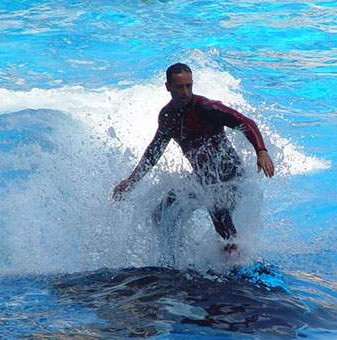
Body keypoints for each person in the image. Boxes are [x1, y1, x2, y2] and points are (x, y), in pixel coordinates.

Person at [113, 63, 274, 252]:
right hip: (203, 179)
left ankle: (235, 265)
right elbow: (154, 151)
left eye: (188, 86)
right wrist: (132, 181)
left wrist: (261, 151)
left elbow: (245, 122)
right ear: (168, 87)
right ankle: (182, 257)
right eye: (179, 87)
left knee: (219, 213)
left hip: (230, 177)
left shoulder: (207, 108)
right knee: (161, 213)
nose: (185, 92)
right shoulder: (168, 116)